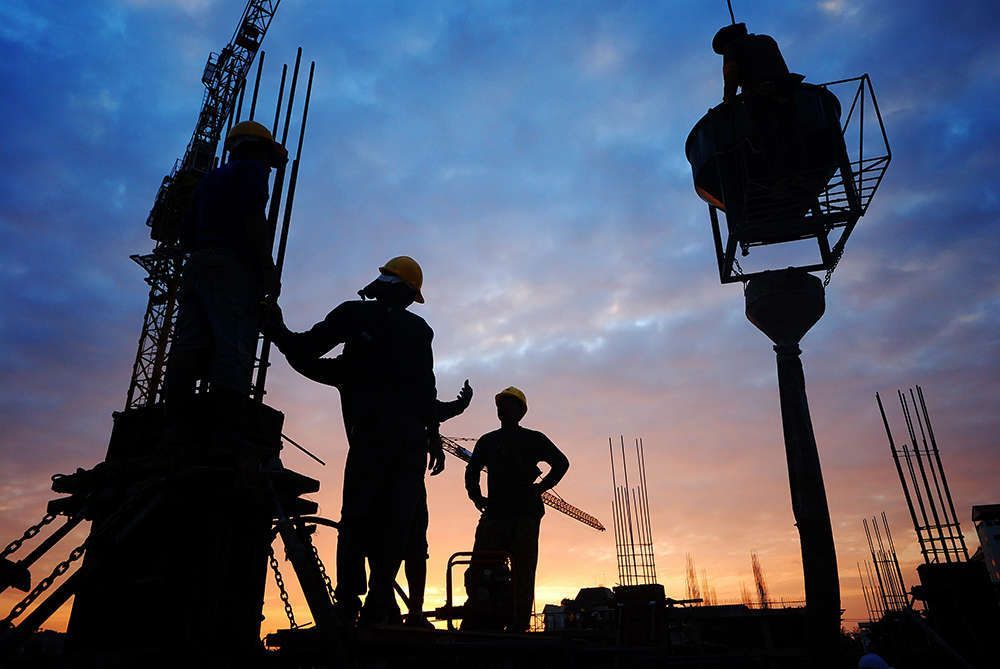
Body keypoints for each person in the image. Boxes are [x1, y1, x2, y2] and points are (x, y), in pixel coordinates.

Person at [262, 256, 440, 626]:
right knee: (396, 520)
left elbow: (305, 354)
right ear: (408, 295)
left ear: (382, 283)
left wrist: (277, 330)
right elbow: (427, 394)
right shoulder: (420, 331)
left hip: (373, 437)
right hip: (410, 442)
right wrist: (433, 438)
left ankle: (349, 602)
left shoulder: (354, 315)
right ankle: (379, 599)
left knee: (359, 515)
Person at [283, 345, 473, 628]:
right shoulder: (388, 373)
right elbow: (431, 409)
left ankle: (366, 603)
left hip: (383, 466)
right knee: (386, 534)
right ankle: (374, 603)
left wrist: (281, 336)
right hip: (395, 468)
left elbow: (303, 360)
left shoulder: (363, 371)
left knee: (369, 532)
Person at [165, 121, 286, 421]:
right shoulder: (251, 172)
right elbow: (253, 222)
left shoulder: (209, 180)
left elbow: (187, 233)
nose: (269, 169)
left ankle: (174, 422)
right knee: (233, 343)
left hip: (198, 266)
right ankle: (224, 428)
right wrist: (266, 270)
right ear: (257, 150)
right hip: (231, 267)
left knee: (189, 343)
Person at [464, 387, 569, 632]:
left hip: (524, 516)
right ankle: (481, 616)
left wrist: (541, 488)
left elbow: (561, 463)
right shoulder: (488, 441)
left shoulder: (533, 439)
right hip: (497, 513)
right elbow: (472, 470)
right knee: (481, 566)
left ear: (520, 411)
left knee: (523, 571)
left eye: (509, 404)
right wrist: (477, 497)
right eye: (501, 404)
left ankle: (518, 625)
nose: (503, 409)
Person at [712, 23, 803, 103]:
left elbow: (731, 73)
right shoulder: (766, 39)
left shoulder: (731, 47)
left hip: (761, 97)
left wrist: (728, 100)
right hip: (788, 90)